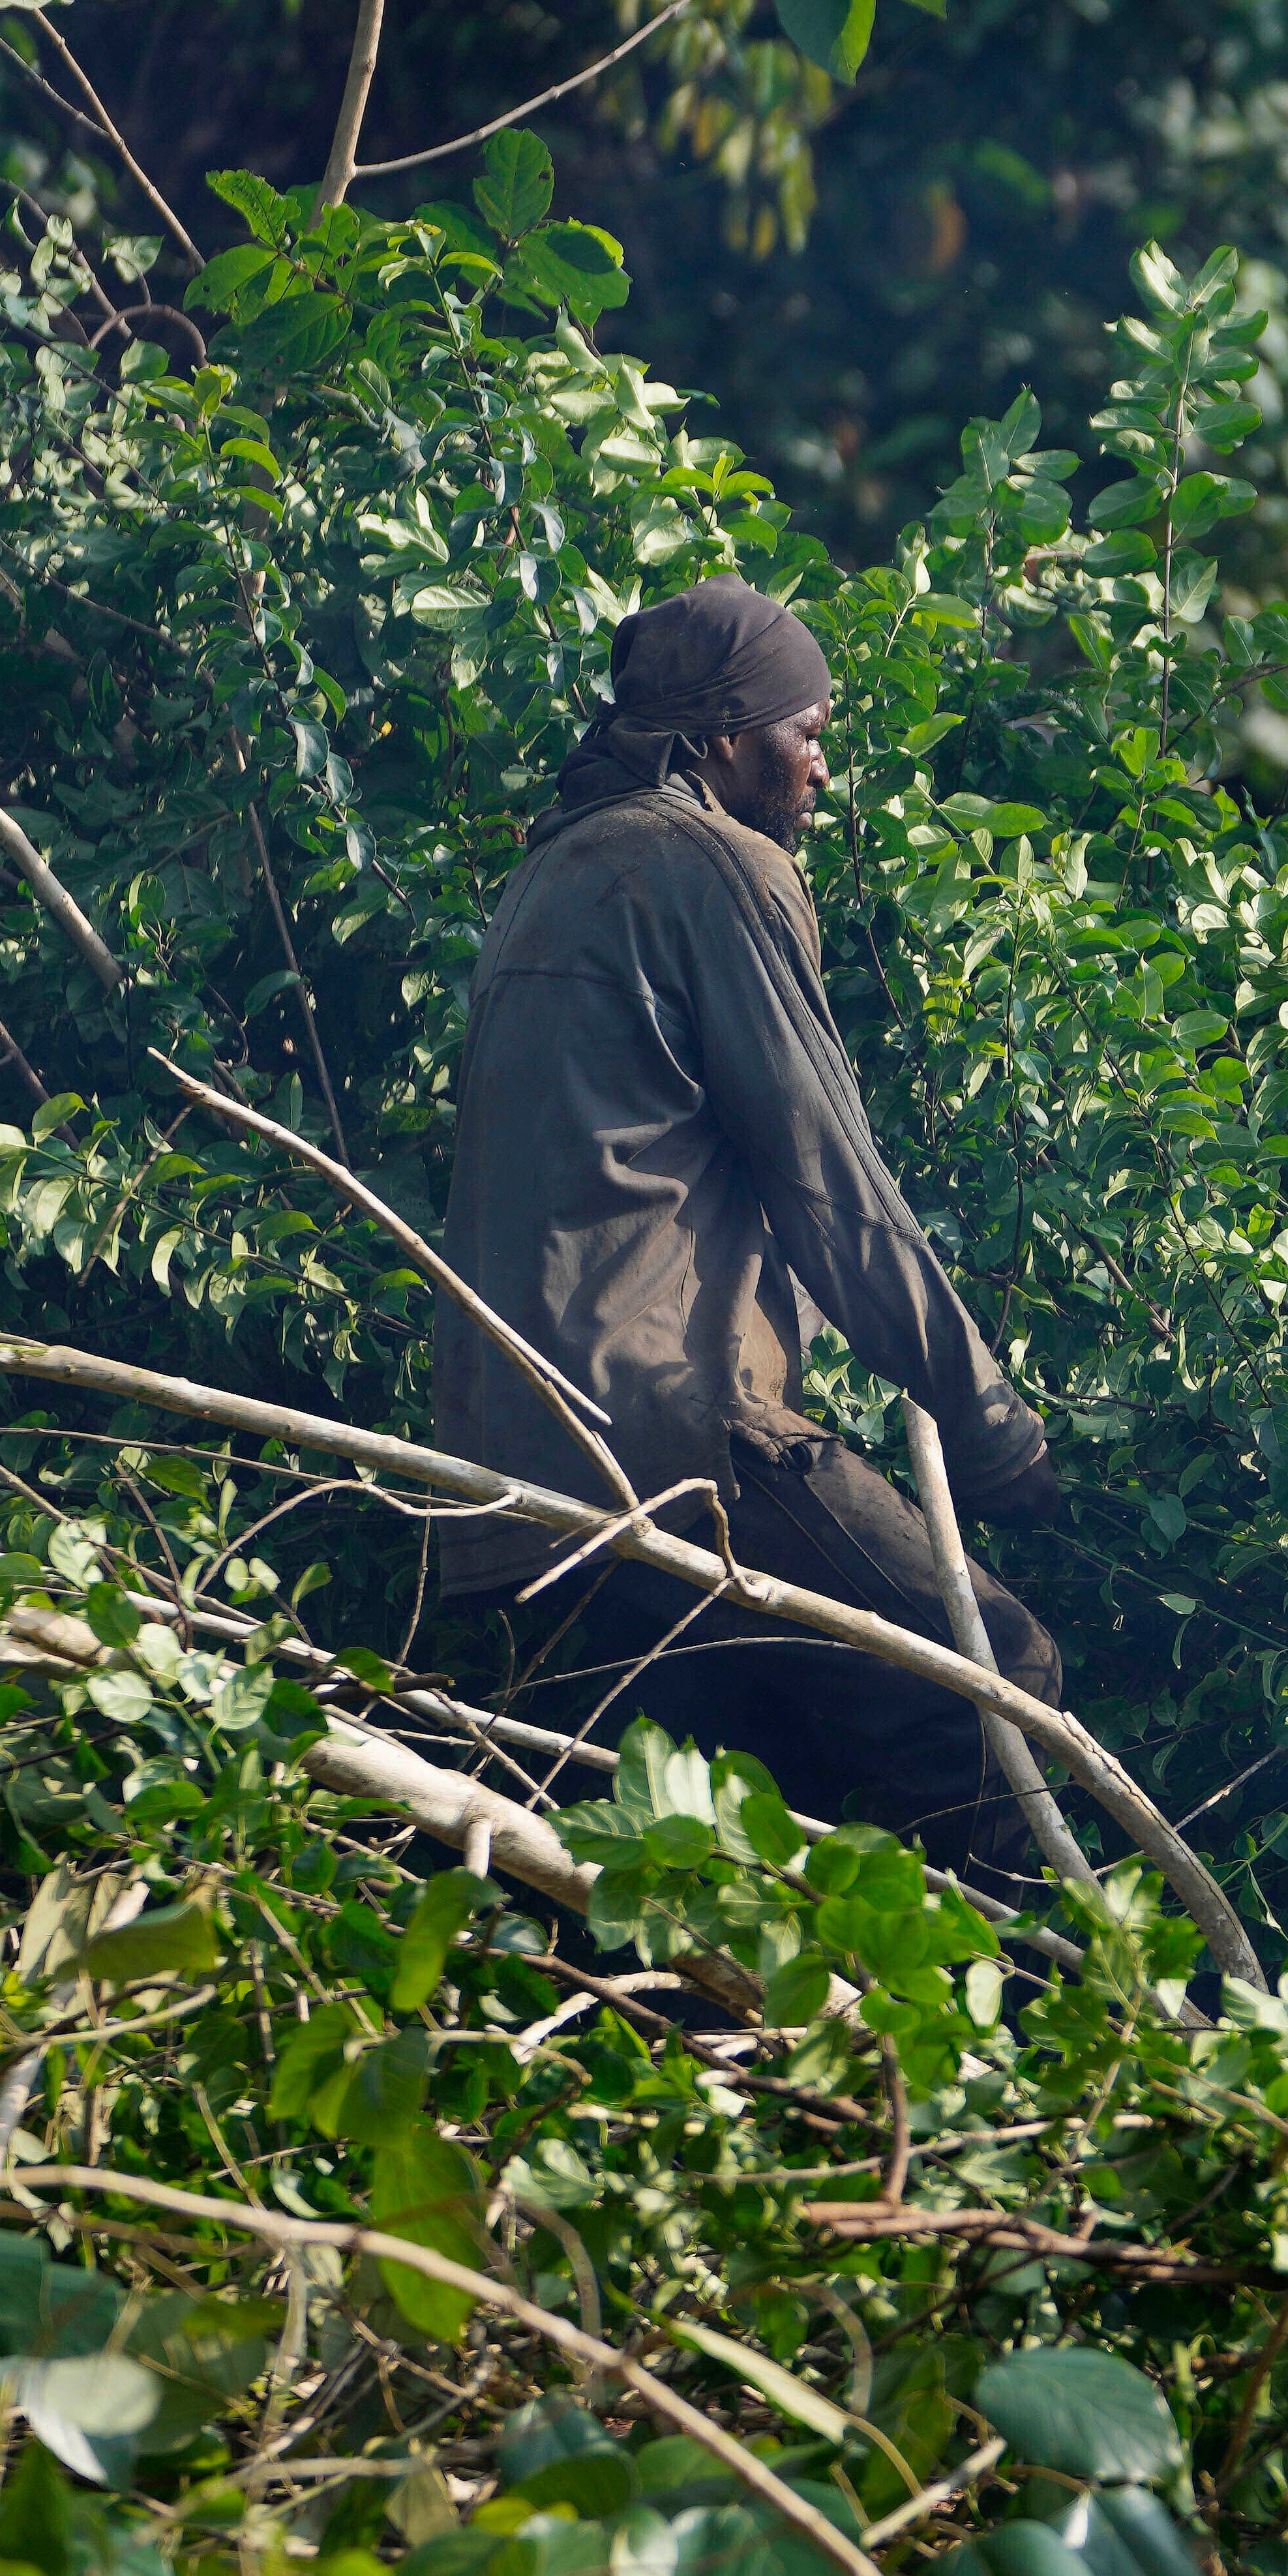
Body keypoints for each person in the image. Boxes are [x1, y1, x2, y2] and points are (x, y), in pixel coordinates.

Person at [429, 578, 1070, 1869]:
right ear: (724, 739)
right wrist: (995, 1430)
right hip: (676, 1450)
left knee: (696, 1867)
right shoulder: (717, 866)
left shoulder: (549, 872)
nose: (821, 768)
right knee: (1000, 1683)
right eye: (809, 731)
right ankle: (1000, 2029)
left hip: (508, 1495)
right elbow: (832, 1188)